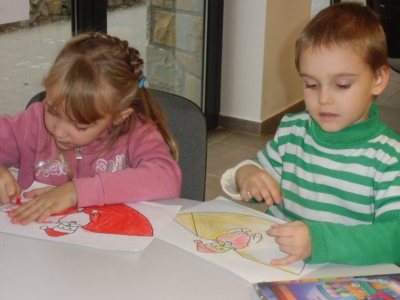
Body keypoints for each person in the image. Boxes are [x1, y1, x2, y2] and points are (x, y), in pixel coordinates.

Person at [221, 2, 400, 266]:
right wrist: (244, 175)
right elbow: (256, 176)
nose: (324, 98)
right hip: (280, 266)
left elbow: (393, 240)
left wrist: (319, 241)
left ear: (378, 79)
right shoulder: (293, 130)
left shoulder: (388, 158)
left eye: (341, 85)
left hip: (345, 279)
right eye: (311, 84)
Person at [0, 32, 182, 225]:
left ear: (119, 116)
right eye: (52, 112)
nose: (59, 131)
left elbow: (167, 178)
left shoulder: (137, 132)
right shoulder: (31, 122)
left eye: (79, 126)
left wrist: (77, 192)